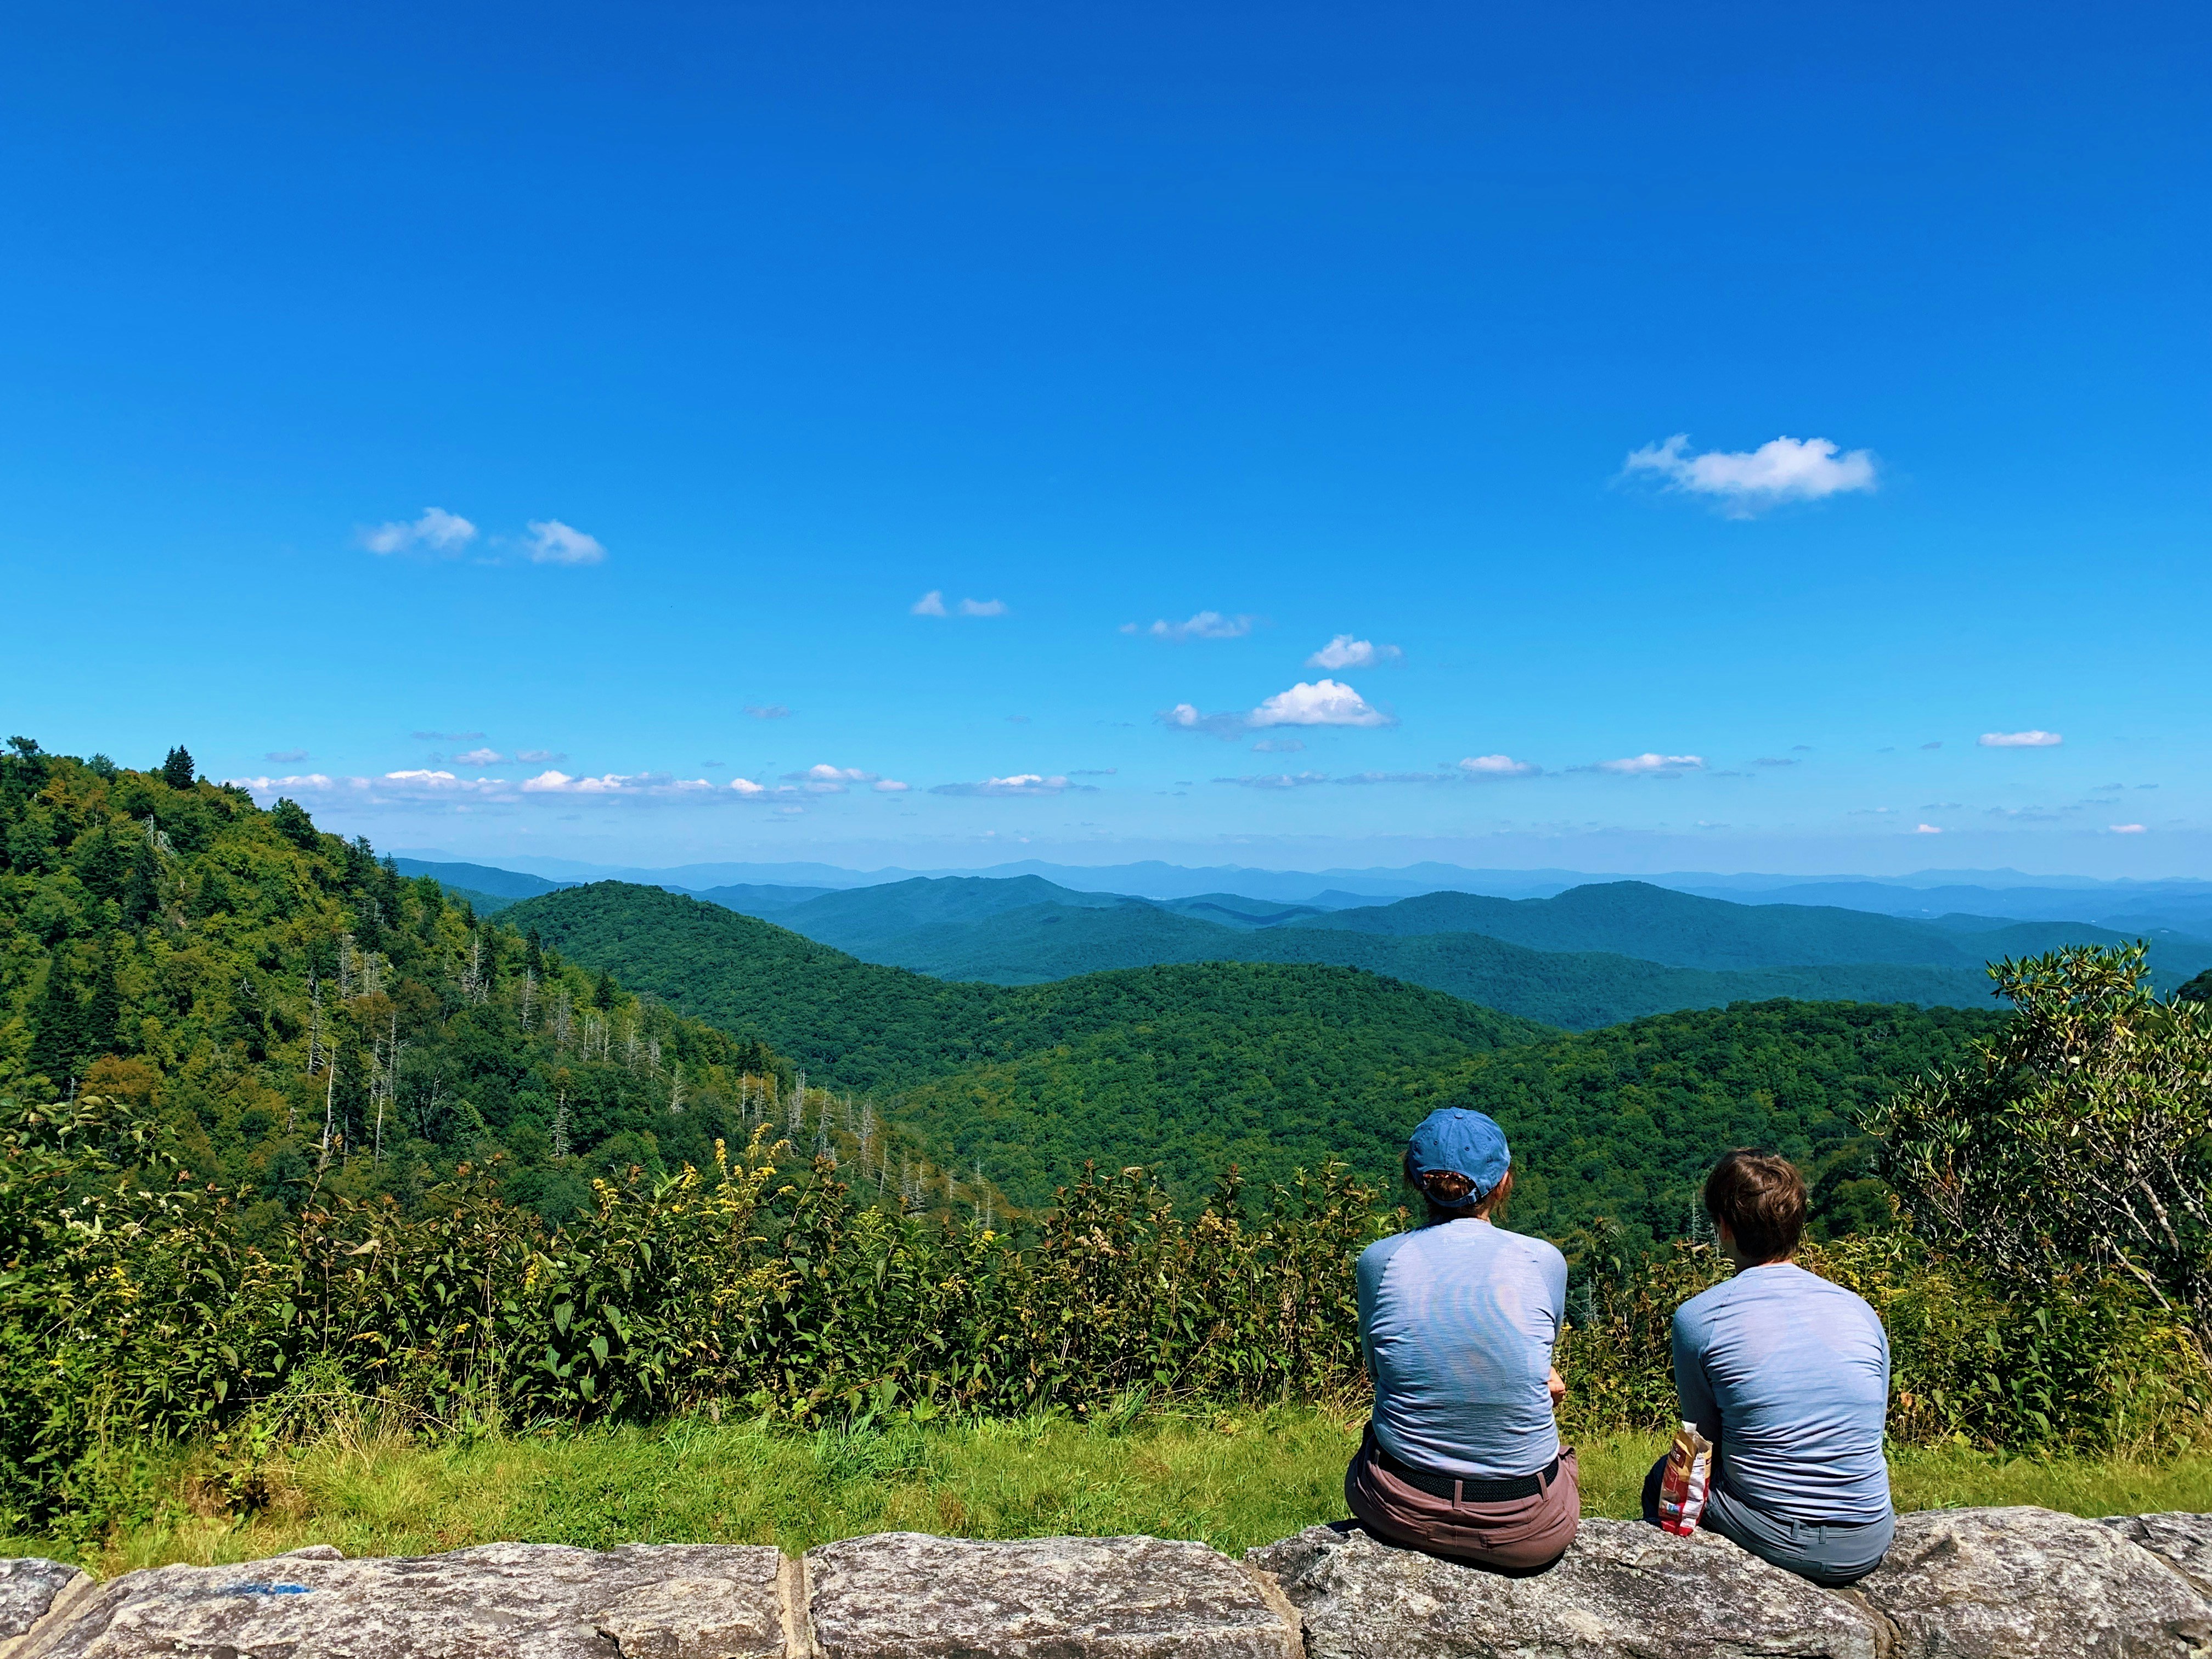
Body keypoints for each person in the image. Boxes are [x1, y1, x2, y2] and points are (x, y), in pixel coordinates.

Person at [1644, 1149, 1894, 1586]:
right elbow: (1869, 1427)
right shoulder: (1859, 1312)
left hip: (1778, 1535)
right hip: (1869, 1535)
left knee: (1660, 1480)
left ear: (1723, 1228)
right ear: (1797, 1224)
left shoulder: (1700, 1319)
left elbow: (1701, 1443)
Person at [1345, 1107, 1578, 1572]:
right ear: (1504, 1181)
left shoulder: (1380, 1260)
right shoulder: (1543, 1260)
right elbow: (1529, 1364)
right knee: (1562, 1458)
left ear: (1413, 1178)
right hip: (1527, 1528)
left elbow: (1379, 1370)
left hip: (1397, 1507)